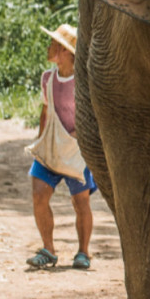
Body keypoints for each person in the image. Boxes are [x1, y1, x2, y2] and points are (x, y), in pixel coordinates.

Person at [25, 24, 96, 270]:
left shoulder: (83, 81)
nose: (49, 47)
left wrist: (81, 137)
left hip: (77, 150)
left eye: (54, 44)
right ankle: (48, 249)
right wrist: (41, 141)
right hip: (51, 147)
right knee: (38, 194)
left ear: (65, 51)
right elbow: (45, 111)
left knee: (80, 202)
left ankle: (83, 252)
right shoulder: (48, 79)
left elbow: (92, 115)